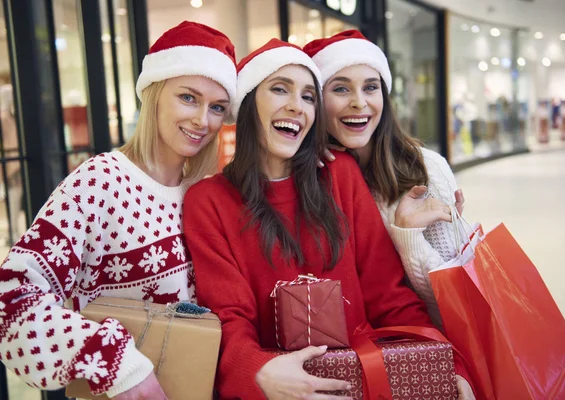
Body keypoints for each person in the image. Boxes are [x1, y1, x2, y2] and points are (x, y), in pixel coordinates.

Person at [183, 39, 473, 400]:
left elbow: (389, 295)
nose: (296, 106)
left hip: (364, 377)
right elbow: (229, 317)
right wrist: (256, 372)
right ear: (247, 103)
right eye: (279, 89)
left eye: (308, 97)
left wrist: (448, 364)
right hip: (281, 385)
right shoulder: (208, 201)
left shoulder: (341, 176)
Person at [0, 21, 237, 399]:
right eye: (188, 97)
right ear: (155, 94)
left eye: (218, 107)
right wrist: (115, 363)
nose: (202, 120)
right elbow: (11, 298)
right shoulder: (99, 182)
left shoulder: (204, 192)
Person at [304, 30, 468, 329]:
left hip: (426, 345)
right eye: (340, 89)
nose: (359, 102)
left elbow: (454, 298)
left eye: (370, 87)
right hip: (351, 348)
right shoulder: (315, 173)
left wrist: (409, 238)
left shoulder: (425, 169)